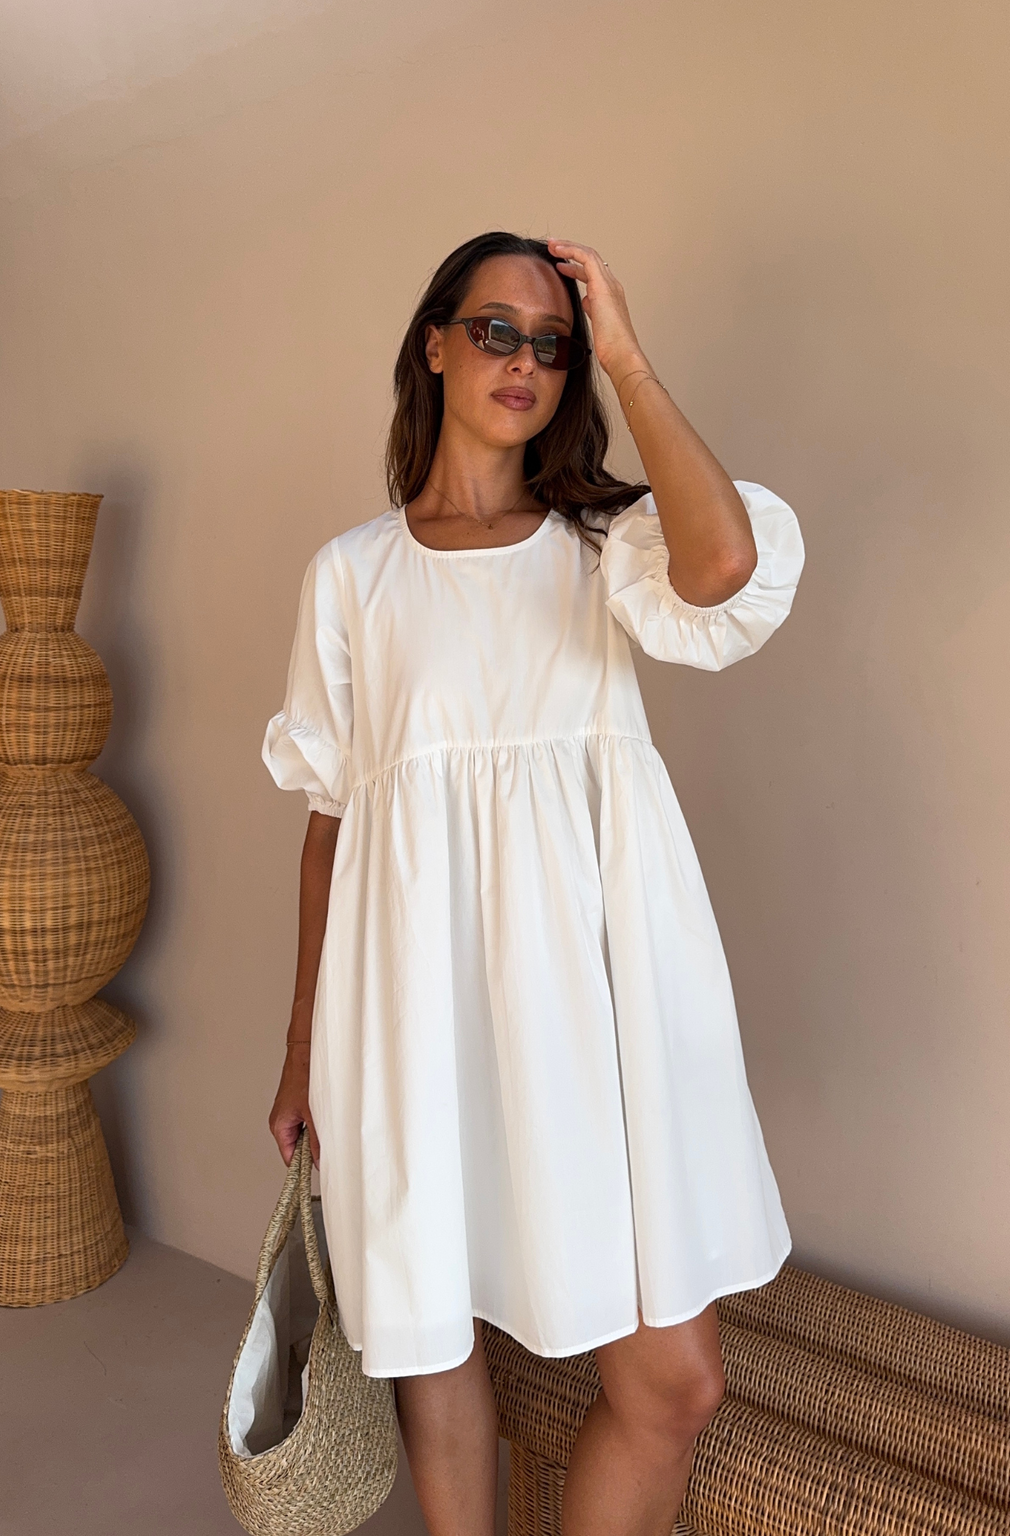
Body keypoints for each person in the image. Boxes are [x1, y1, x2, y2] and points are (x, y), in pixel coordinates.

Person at [262, 230, 804, 1536]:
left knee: (671, 1384)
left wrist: (627, 354)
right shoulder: (352, 576)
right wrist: (300, 1051)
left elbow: (725, 569)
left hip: (599, 1006)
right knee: (435, 1333)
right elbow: (332, 821)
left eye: (553, 344)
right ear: (434, 345)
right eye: (495, 329)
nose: (526, 361)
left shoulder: (604, 544)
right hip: (415, 1008)